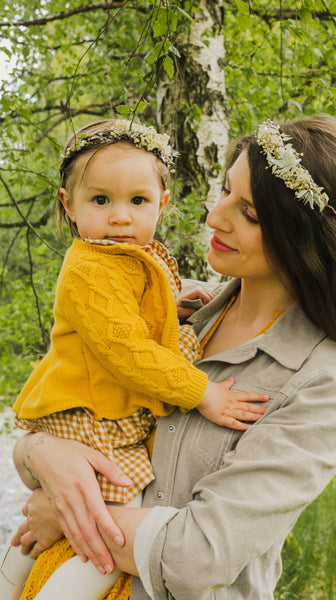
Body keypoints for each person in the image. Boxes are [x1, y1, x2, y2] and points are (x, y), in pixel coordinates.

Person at [8, 115, 336, 600]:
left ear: (302, 234)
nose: (215, 218)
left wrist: (67, 509)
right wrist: (40, 453)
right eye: (225, 190)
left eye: (249, 213)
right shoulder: (174, 312)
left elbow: (197, 554)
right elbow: (73, 414)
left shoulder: (328, 380)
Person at [0, 119, 269, 600]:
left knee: (64, 516)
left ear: (161, 204)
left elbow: (139, 307)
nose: (121, 217)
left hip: (102, 415)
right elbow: (128, 352)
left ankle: (13, 577)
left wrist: (179, 303)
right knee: (105, 525)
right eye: (101, 200)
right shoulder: (87, 267)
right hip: (91, 417)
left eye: (138, 201)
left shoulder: (129, 256)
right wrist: (201, 392)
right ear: (69, 204)